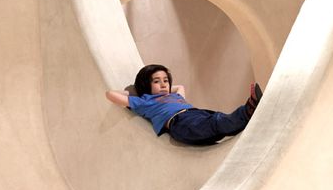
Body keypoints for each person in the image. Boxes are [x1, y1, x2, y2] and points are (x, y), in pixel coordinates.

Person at [105, 63, 262, 147]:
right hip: (180, 123)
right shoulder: (145, 101)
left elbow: (180, 87)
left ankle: (249, 118)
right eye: (156, 81)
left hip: (195, 114)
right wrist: (134, 92)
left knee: (218, 120)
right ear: (146, 85)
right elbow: (110, 94)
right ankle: (249, 109)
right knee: (216, 123)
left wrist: (167, 90)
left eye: (165, 81)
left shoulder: (174, 95)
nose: (163, 84)